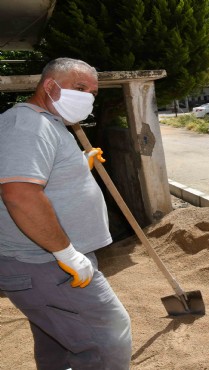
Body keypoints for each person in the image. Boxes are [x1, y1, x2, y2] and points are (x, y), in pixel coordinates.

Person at [0, 58, 132, 368]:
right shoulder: (28, 124)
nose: (88, 97)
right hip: (46, 262)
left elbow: (42, 177)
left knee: (58, 343)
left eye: (93, 93)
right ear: (50, 86)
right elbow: (19, 193)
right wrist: (66, 253)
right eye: (80, 87)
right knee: (107, 336)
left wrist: (79, 164)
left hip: (49, 262)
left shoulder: (48, 123)